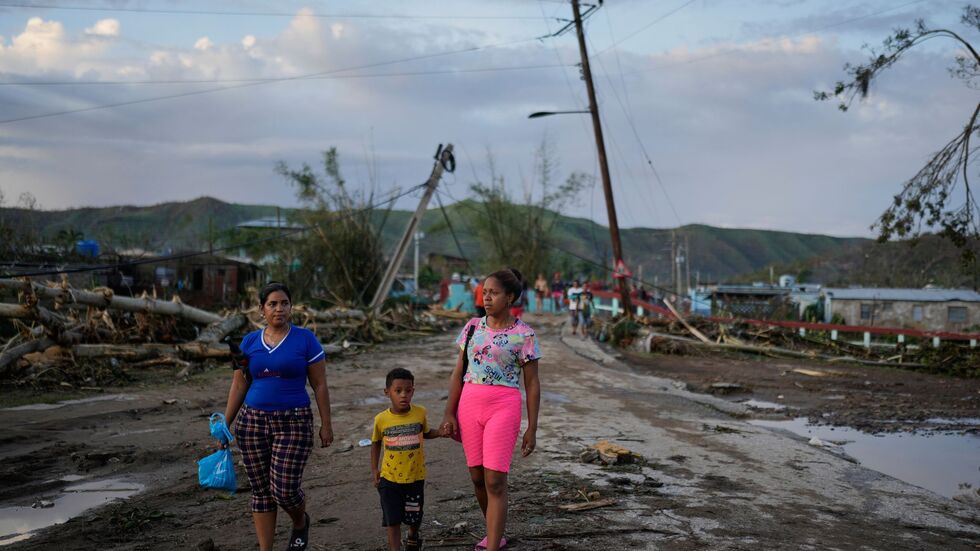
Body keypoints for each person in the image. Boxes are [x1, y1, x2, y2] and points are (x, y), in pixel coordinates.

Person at [222, 282, 334, 551]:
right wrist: (224, 426)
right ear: (262, 309)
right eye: (272, 304)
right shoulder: (249, 343)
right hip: (252, 423)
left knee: (284, 489)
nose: (279, 309)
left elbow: (319, 385)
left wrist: (326, 425)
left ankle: (299, 521)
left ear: (291, 307)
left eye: (284, 303)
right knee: (261, 492)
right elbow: (238, 385)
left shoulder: (305, 340)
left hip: (294, 422)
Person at [440, 269, 541, 551]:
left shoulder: (524, 334)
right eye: (485, 292)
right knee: (477, 477)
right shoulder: (472, 327)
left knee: (495, 480)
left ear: (510, 297)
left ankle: (493, 545)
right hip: (469, 405)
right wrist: (449, 412)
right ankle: (494, 532)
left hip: (503, 406)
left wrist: (532, 427)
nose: (486, 297)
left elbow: (532, 384)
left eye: (493, 293)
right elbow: (458, 372)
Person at [371, 368, 443, 551]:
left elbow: (426, 433)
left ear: (413, 391)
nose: (403, 395)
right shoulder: (381, 419)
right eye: (398, 391)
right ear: (387, 392)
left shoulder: (420, 413)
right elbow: (376, 443)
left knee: (414, 515)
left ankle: (412, 535)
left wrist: (441, 432)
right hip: (389, 478)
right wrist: (374, 470)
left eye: (408, 390)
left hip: (415, 477)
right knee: (392, 518)